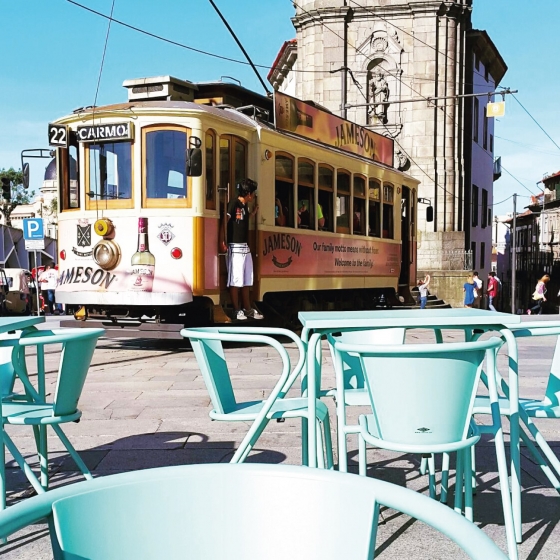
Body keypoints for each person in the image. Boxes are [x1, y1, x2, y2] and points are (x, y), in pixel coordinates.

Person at [220, 179, 264, 322]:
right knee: (235, 280)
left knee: (246, 279)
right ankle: (236, 309)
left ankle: (248, 308)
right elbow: (225, 222)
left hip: (245, 247)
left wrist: (254, 213)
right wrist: (222, 240)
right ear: (248, 194)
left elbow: (243, 220)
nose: (253, 196)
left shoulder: (244, 206)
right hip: (234, 246)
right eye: (253, 193)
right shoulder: (233, 204)